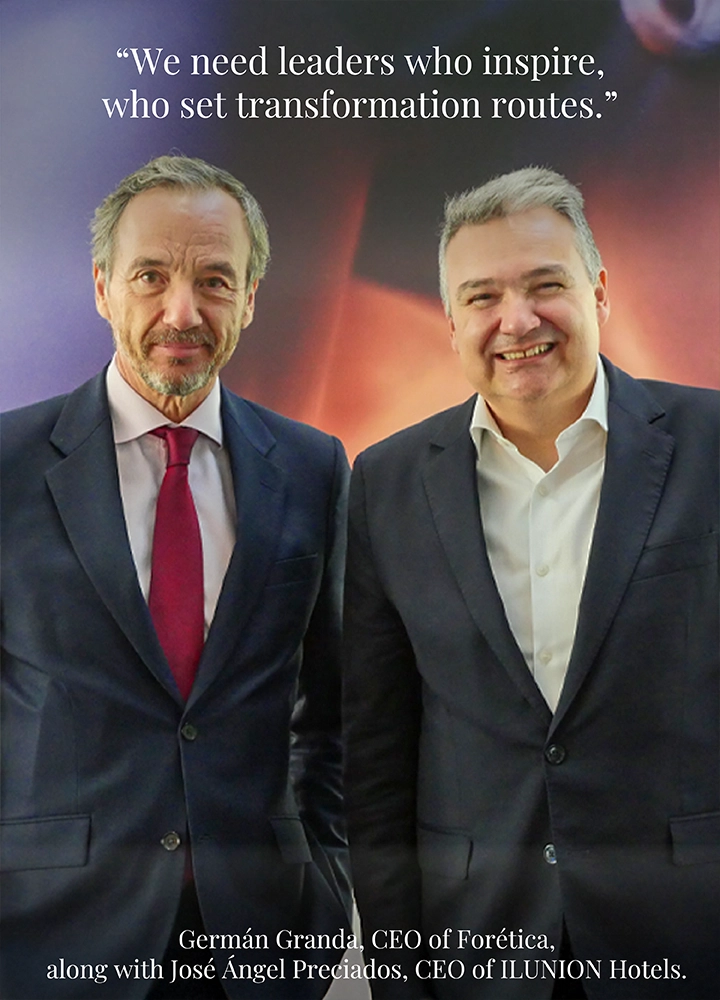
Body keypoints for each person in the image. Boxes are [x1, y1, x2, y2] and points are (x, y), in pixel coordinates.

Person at [343, 167, 719, 1000]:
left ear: (599, 291)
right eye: (481, 297)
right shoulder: (386, 483)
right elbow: (375, 755)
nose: (517, 320)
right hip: (477, 944)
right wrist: (400, 976)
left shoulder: (709, 445)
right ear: (451, 321)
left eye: (545, 285)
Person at [0, 155, 352, 1000]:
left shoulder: (313, 467)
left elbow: (337, 710)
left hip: (261, 945)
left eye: (215, 280)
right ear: (102, 287)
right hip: (47, 940)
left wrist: (328, 881)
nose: (181, 311)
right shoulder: (8, 467)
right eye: (150, 276)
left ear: (252, 297)